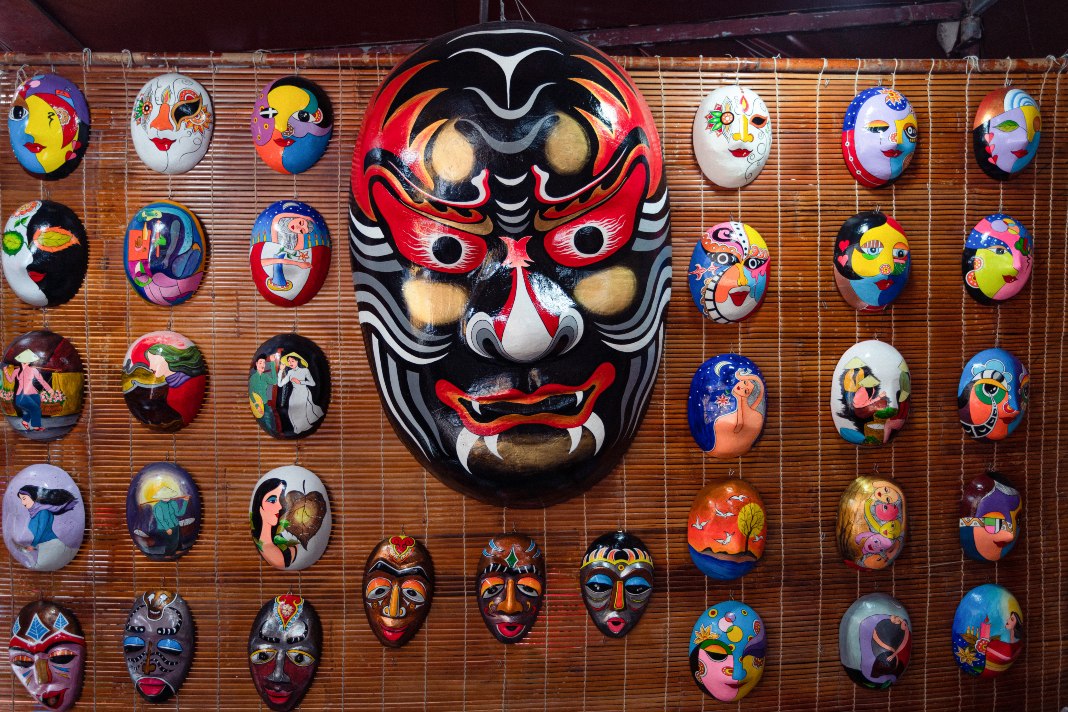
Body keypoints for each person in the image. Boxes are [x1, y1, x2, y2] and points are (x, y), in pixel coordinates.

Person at [16, 484, 77, 569]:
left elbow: (41, 531)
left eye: (24, 498)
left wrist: (32, 545)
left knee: (38, 567)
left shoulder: (43, 512)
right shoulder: (35, 513)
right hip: (44, 546)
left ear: (32, 497)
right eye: (21, 499)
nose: (23, 502)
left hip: (52, 545)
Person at [250, 477, 293, 569]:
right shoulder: (268, 549)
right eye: (272, 500)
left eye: (280, 500)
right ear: (259, 506)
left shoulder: (283, 544)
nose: (280, 506)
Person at [277, 352, 323, 435]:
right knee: (291, 411)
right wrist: (281, 370)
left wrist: (300, 382)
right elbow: (280, 384)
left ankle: (303, 427)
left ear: (297, 361)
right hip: (294, 394)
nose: (290, 363)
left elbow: (313, 383)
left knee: (301, 410)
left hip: (303, 392)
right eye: (289, 361)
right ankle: (297, 428)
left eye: (293, 361)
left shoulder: (305, 370)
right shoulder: (290, 372)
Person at [12, 349, 54, 431]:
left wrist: (49, 390)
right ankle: (36, 426)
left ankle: (25, 421)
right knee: (35, 409)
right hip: (22, 395)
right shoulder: (17, 371)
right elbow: (10, 380)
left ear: (29, 362)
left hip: (33, 392)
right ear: (20, 361)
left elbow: (41, 380)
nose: (25, 362)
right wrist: (6, 372)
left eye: (27, 361)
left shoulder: (33, 370)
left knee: (36, 407)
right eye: (23, 361)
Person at [149, 484, 191, 558]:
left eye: (168, 495)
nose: (166, 497)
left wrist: (185, 502)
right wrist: (167, 528)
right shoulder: (157, 506)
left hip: (175, 524)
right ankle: (168, 555)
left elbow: (179, 513)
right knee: (171, 542)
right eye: (164, 496)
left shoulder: (173, 503)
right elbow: (160, 519)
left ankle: (177, 550)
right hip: (164, 528)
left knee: (178, 539)